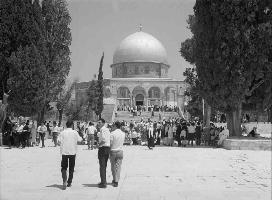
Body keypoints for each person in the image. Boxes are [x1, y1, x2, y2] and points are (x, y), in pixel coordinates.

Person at [58, 119, 82, 190]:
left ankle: (64, 180)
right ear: (72, 125)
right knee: (71, 168)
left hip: (64, 152)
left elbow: (58, 141)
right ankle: (69, 182)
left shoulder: (62, 132)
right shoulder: (75, 132)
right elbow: (80, 140)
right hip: (72, 152)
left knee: (64, 167)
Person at [110, 121, 125, 187]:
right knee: (118, 167)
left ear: (115, 126)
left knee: (113, 166)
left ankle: (114, 179)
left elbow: (110, 143)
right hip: (120, 151)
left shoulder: (112, 133)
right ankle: (116, 180)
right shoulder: (123, 133)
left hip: (113, 151)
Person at [97, 118, 111, 188]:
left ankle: (103, 183)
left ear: (103, 123)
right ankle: (103, 181)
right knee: (104, 166)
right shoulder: (107, 129)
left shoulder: (103, 129)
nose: (98, 124)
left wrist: (98, 145)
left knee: (102, 166)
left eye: (99, 122)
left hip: (103, 148)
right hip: (107, 148)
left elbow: (104, 140)